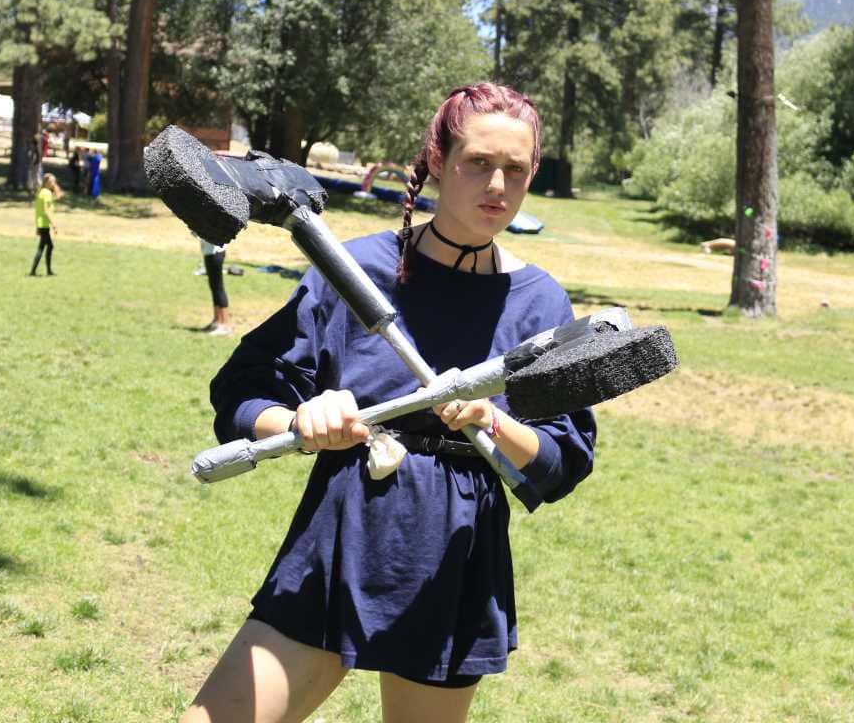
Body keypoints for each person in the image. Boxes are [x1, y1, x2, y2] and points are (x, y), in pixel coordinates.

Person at [185, 83, 595, 723]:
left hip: (455, 553)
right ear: (437, 161)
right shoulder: (354, 271)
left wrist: (492, 419)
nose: (497, 184)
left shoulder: (541, 303)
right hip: (344, 531)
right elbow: (241, 393)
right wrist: (298, 419)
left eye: (515, 170)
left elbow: (562, 460)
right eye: (478, 163)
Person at [30, 173, 62, 276]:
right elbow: (45, 211)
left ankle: (43, 271)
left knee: (44, 247)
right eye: (53, 181)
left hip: (41, 224)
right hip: (44, 224)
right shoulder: (47, 193)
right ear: (47, 182)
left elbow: (38, 211)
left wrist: (37, 226)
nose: (54, 184)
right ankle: (39, 271)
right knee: (46, 247)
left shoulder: (41, 192)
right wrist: (54, 224)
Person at [200, 238, 232, 335]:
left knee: (218, 288)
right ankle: (217, 321)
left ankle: (225, 324)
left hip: (215, 253)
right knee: (214, 286)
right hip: (209, 252)